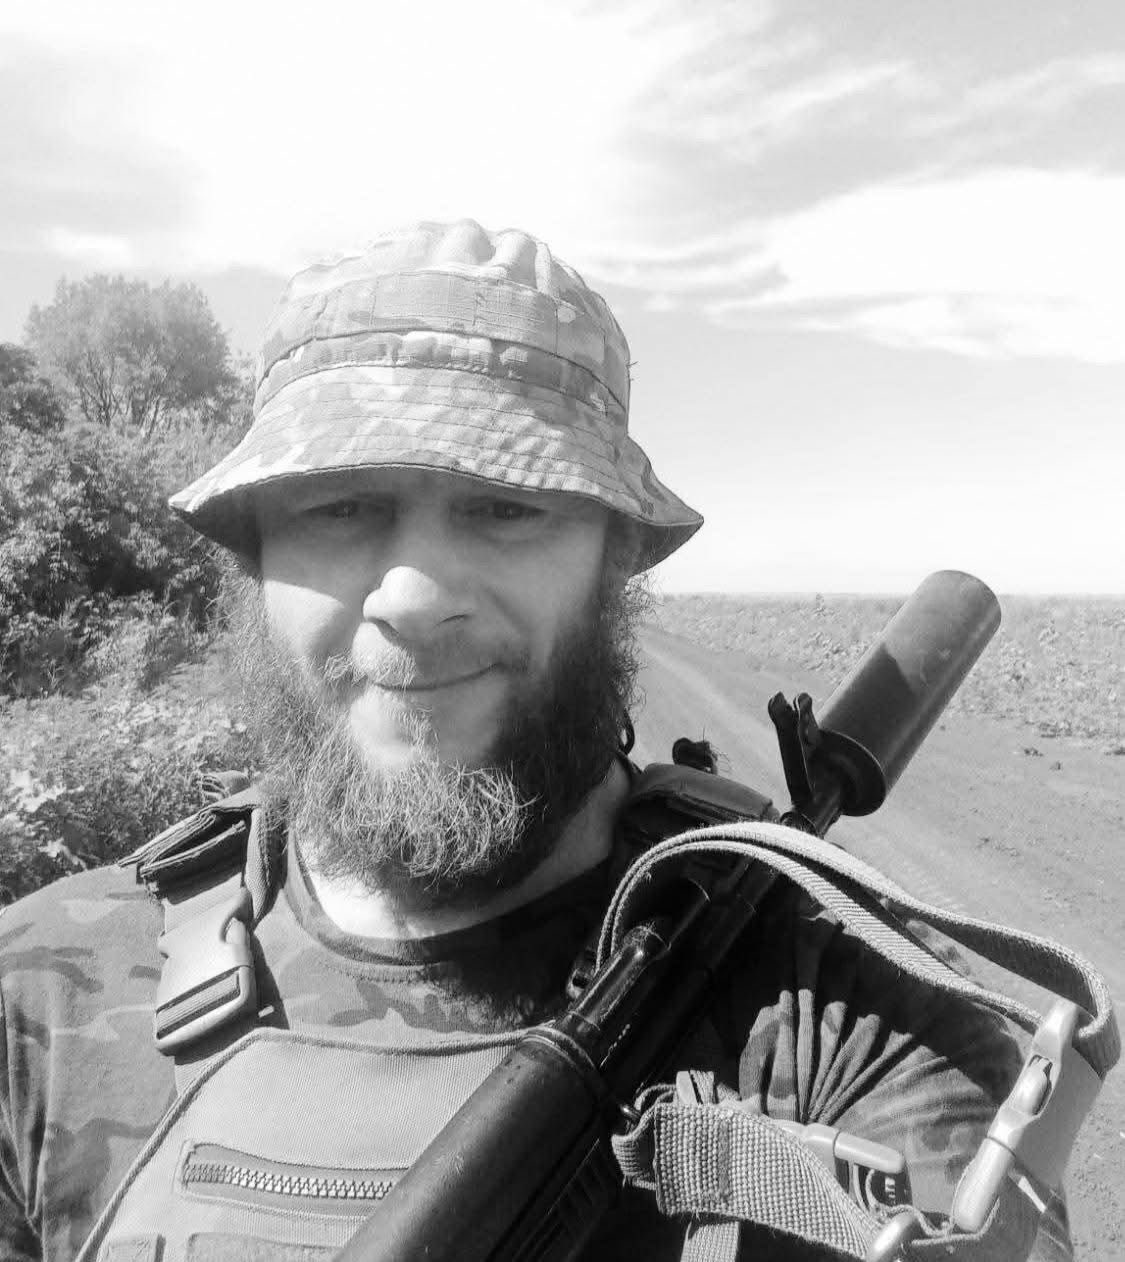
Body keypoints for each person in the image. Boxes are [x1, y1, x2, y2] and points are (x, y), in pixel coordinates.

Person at [0, 221, 1081, 1261]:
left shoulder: (850, 1018)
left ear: (618, 559)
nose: (413, 597)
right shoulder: (40, 995)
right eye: (338, 506)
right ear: (255, 558)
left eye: (506, 505)